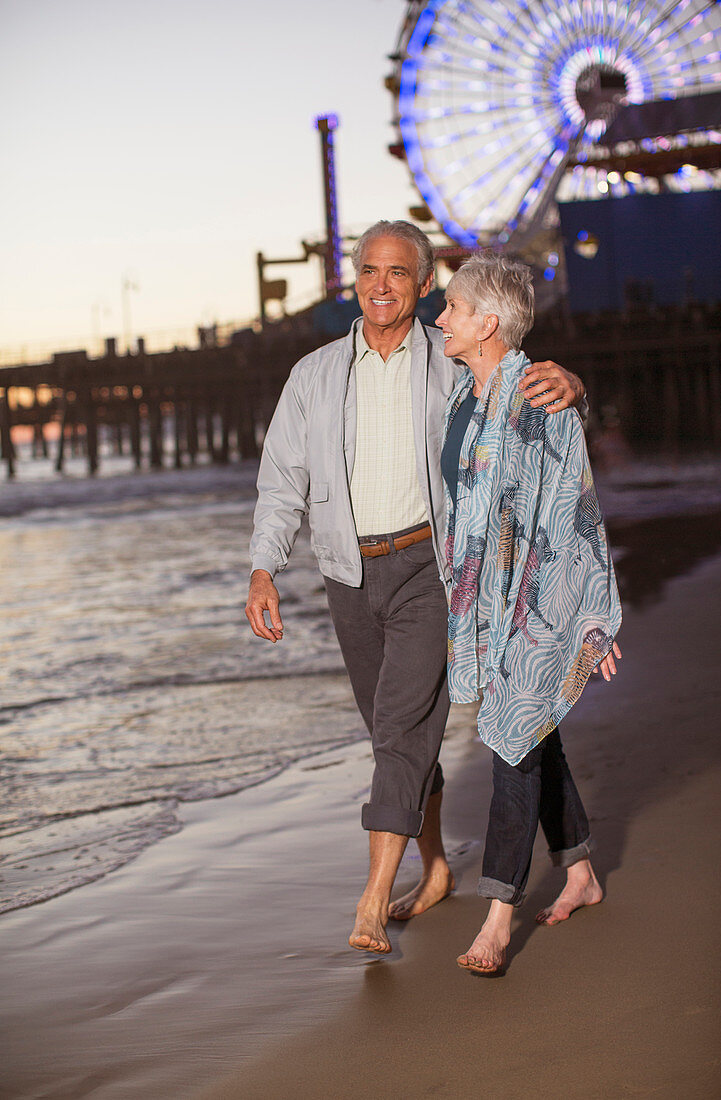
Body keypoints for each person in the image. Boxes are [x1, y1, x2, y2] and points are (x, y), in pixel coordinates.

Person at [245, 220, 586, 955]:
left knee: (399, 734)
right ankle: (437, 869)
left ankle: (370, 901)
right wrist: (264, 566)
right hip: (348, 575)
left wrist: (575, 386)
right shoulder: (312, 376)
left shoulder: (449, 359)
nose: (379, 284)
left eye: (397, 273)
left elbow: (517, 391)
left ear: (423, 283)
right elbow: (283, 483)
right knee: (392, 736)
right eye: (368, 270)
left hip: (432, 573)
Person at [435, 253, 622, 975]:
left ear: (487, 324)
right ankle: (577, 869)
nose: (440, 317)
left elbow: (576, 512)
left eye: (452, 308)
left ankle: (497, 918)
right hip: (479, 596)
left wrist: (588, 619)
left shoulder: (542, 399)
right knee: (531, 732)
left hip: (536, 600)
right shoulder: (462, 396)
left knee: (512, 736)